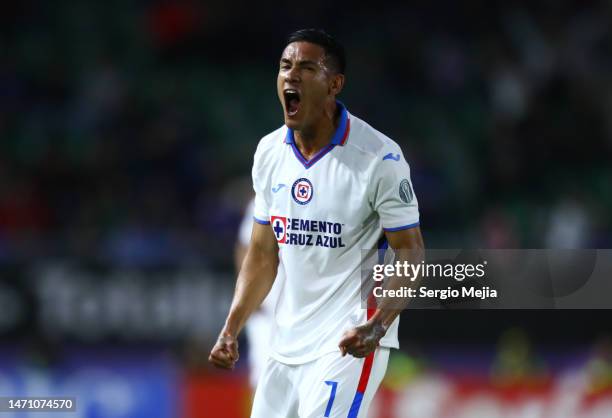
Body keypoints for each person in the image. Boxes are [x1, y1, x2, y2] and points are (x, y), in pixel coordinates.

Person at [209, 28, 425, 418]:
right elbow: (260, 254)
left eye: (306, 68)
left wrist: (378, 325)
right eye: (285, 66)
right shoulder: (269, 153)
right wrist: (231, 327)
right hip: (284, 344)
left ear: (334, 84)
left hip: (348, 341)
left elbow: (411, 251)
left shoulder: (379, 158)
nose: (291, 76)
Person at [235, 198, 284, 389]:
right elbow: (246, 247)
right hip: (269, 310)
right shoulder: (267, 196)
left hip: (312, 310)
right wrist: (250, 295)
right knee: (264, 381)